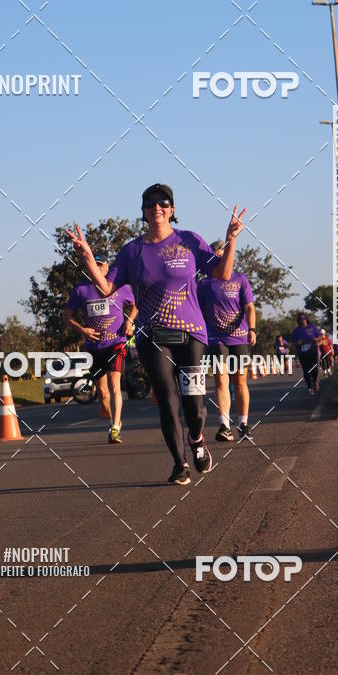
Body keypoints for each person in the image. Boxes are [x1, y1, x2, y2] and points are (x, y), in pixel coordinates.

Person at [67, 184, 246, 485]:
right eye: (150, 203)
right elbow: (106, 288)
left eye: (163, 202)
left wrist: (231, 241)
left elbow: (222, 274)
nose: (157, 207)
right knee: (166, 397)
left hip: (191, 334)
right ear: (144, 211)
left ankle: (197, 439)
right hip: (152, 334)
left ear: (172, 209)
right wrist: (87, 256)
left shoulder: (189, 241)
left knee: (196, 407)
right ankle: (180, 465)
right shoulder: (132, 251)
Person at [63, 255, 137, 444]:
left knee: (114, 384)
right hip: (94, 347)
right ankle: (116, 421)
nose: (96, 269)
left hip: (116, 343)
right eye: (93, 265)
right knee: (103, 393)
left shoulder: (120, 288)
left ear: (106, 268)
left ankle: (114, 428)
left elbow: (136, 304)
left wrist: (129, 320)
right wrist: (82, 329)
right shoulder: (81, 290)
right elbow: (67, 316)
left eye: (100, 265)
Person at [197, 239, 255, 442]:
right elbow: (199, 311)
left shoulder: (240, 280)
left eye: (224, 254)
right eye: (217, 255)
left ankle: (244, 423)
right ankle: (224, 425)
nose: (221, 258)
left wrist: (252, 329)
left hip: (238, 338)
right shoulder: (204, 283)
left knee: (239, 382)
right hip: (215, 339)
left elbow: (249, 307)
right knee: (221, 380)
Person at [291, 312, 321, 394]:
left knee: (314, 368)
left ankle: (315, 381)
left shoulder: (312, 327)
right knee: (306, 370)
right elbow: (293, 342)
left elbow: (319, 337)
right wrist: (297, 343)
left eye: (304, 318)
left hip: (313, 350)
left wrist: (316, 339)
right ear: (298, 320)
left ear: (306, 319)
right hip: (302, 352)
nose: (302, 320)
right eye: (301, 319)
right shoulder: (296, 330)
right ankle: (309, 387)